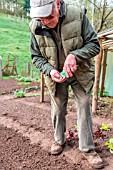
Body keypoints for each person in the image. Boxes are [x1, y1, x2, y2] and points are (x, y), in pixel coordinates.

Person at [29, 0, 104, 169]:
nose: (45, 22)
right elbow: (36, 57)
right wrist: (50, 70)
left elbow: (94, 45)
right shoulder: (35, 26)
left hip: (80, 71)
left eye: (49, 16)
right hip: (56, 75)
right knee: (58, 108)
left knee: (84, 105)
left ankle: (88, 149)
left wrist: (75, 55)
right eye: (41, 19)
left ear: (57, 3)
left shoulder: (77, 14)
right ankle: (59, 140)